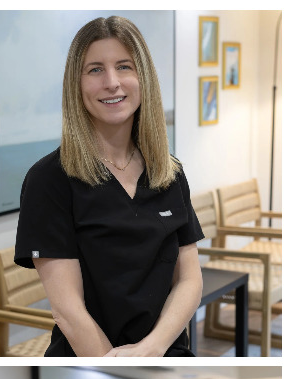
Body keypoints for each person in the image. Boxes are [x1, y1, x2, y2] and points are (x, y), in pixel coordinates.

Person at [14, 17, 205, 356]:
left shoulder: (169, 172)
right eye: (95, 70)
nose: (112, 82)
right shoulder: (49, 180)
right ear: (76, 84)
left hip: (163, 350)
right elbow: (68, 311)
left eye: (123, 66)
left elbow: (189, 280)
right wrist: (119, 363)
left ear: (143, 77)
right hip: (89, 353)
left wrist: (151, 349)